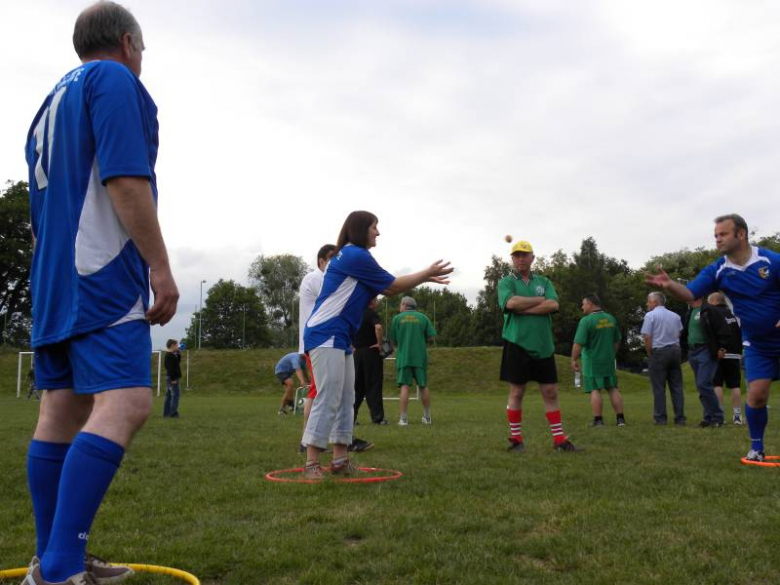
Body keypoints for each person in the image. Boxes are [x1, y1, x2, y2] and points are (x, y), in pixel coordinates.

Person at [22, 3, 179, 584]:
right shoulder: (113, 78)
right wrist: (158, 269)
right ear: (127, 41)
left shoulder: (46, 107)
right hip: (101, 272)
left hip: (54, 280)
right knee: (129, 402)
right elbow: (124, 177)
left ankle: (52, 559)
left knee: (60, 410)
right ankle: (62, 567)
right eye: (143, 46)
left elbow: (42, 214)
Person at [301, 210, 452, 479]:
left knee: (347, 398)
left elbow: (379, 290)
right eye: (374, 227)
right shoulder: (354, 255)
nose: (378, 233)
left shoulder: (352, 256)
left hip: (341, 337)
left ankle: (339, 459)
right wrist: (426, 274)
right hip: (325, 334)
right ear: (361, 230)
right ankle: (312, 463)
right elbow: (392, 287)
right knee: (329, 396)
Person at [646, 214, 780, 462]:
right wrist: (670, 285)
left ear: (741, 234)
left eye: (723, 234)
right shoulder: (719, 270)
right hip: (758, 344)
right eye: (716, 235)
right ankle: (757, 449)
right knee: (757, 394)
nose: (717, 239)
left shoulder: (770, 261)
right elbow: (689, 293)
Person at [499, 240, 581, 453]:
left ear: (532, 258)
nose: (520, 259)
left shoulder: (544, 281)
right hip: (517, 343)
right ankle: (516, 440)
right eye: (516, 255)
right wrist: (539, 301)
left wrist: (524, 307)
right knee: (517, 391)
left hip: (544, 345)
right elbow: (510, 304)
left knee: (551, 391)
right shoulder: (506, 282)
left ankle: (559, 441)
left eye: (524, 255)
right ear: (512, 259)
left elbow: (553, 304)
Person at [296, 245, 373, 453]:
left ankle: (327, 443)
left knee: (329, 392)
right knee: (322, 392)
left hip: (330, 339)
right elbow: (339, 294)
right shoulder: (317, 278)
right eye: (332, 258)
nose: (337, 262)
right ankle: (309, 443)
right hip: (322, 341)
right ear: (321, 261)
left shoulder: (321, 277)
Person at [570, 294, 626, 428]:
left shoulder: (586, 321)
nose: (582, 307)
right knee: (612, 388)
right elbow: (617, 340)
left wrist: (573, 360)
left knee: (594, 389)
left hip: (592, 361)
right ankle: (620, 419)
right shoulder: (610, 318)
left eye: (583, 304)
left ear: (590, 304)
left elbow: (578, 343)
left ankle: (598, 420)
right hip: (608, 360)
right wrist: (612, 354)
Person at [389, 296, 436, 425]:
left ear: (404, 304)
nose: (400, 307)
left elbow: (392, 340)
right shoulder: (423, 318)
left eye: (400, 304)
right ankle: (427, 417)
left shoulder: (397, 319)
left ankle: (403, 419)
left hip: (404, 357)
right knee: (423, 386)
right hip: (420, 357)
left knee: (404, 386)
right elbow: (432, 337)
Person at [641, 292, 685, 425]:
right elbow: (679, 332)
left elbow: (647, 336)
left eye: (648, 301)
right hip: (675, 351)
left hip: (659, 351)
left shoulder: (650, 315)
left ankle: (660, 418)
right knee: (677, 386)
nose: (647, 304)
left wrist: (650, 352)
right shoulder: (675, 316)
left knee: (659, 387)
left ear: (655, 302)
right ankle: (680, 418)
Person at [701, 291, 744, 425]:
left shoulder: (712, 314)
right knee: (735, 385)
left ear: (713, 301)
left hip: (719, 353)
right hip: (735, 353)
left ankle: (720, 415)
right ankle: (737, 417)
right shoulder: (734, 314)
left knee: (717, 384)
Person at [682, 299, 724, 427]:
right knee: (702, 386)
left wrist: (722, 347)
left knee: (703, 384)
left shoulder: (709, 310)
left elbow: (722, 328)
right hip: (693, 351)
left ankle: (717, 417)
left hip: (706, 350)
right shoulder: (689, 312)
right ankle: (708, 418)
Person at [353, 297, 388, 425]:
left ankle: (351, 418)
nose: (377, 302)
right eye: (376, 300)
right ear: (371, 302)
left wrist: (353, 345)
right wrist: (379, 344)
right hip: (371, 352)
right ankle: (377, 418)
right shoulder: (371, 313)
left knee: (357, 387)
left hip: (357, 354)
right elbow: (378, 327)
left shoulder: (355, 313)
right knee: (374, 385)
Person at [163, 339, 182, 418]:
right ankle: (173, 413)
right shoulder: (169, 355)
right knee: (175, 395)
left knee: (169, 396)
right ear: (172, 345)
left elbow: (177, 363)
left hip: (170, 377)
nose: (178, 346)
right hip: (172, 378)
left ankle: (166, 413)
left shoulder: (172, 355)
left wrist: (178, 354)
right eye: (176, 345)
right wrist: (173, 379)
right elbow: (170, 368)